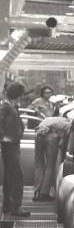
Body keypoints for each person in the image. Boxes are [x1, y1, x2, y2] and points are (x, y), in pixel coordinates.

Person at [0, 82, 30, 217]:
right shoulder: (6, 106)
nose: (22, 97)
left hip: (12, 143)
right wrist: (3, 137)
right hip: (10, 144)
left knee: (9, 176)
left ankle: (7, 205)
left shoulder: (10, 105)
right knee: (17, 176)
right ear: (17, 94)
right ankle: (16, 206)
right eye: (21, 94)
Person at [32, 116, 69, 201]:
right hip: (51, 137)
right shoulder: (66, 122)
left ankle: (37, 191)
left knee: (39, 164)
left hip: (38, 135)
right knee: (50, 166)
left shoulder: (47, 119)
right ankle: (44, 193)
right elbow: (64, 135)